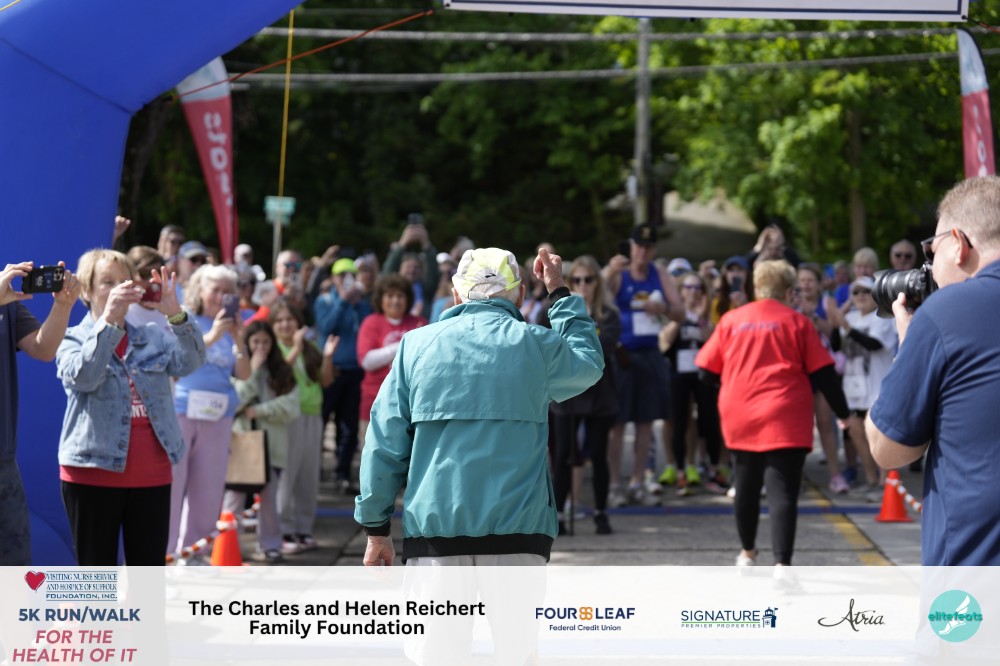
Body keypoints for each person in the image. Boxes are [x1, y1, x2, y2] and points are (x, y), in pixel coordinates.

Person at [355, 246, 603, 565]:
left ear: (457, 295)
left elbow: (384, 442)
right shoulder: (537, 344)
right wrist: (558, 292)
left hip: (435, 532)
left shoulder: (415, 347)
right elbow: (588, 363)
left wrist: (376, 528)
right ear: (520, 295)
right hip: (519, 532)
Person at [867, 175, 1000, 566]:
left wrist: (908, 351)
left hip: (975, 572)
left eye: (932, 249)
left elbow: (888, 448)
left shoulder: (947, 312)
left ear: (958, 243)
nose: (929, 267)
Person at [696, 260, 863, 567]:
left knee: (745, 486)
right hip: (785, 415)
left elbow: (705, 371)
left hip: (740, 412)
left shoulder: (732, 320)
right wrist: (845, 415)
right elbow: (824, 375)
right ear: (788, 291)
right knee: (782, 492)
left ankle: (747, 553)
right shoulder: (798, 323)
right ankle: (782, 566)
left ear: (757, 288)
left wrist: (731, 384)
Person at [55, 250, 204, 565]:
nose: (119, 288)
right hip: (91, 474)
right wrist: (108, 321)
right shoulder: (72, 339)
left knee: (147, 581)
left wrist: (176, 314)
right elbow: (85, 377)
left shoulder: (153, 336)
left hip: (152, 475)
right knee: (97, 582)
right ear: (86, 291)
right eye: (108, 282)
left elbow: (191, 361)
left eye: (124, 281)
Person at [169, 264, 251, 560]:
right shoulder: (185, 318)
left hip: (218, 416)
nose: (220, 296)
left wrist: (238, 339)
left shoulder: (232, 327)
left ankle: (195, 553)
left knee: (208, 489)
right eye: (215, 289)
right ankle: (165, 553)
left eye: (227, 291)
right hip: (182, 411)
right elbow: (180, 356)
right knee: (172, 486)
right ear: (200, 290)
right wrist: (215, 334)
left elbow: (244, 374)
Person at [0, 261, 80, 565]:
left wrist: (63, 305)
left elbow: (44, 349)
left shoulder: (6, 297)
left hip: (4, 463)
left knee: (14, 568)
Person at [602, 223, 683, 507]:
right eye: (639, 245)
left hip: (650, 354)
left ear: (654, 250)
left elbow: (680, 312)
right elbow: (595, 301)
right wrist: (607, 274)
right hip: (622, 355)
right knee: (617, 425)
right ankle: (614, 484)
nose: (642, 252)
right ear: (631, 245)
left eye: (648, 247)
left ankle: (637, 481)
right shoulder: (618, 273)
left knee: (646, 423)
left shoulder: (659, 274)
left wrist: (665, 309)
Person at [551, 256, 620, 535]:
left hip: (600, 394)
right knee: (563, 456)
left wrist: (581, 330)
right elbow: (551, 343)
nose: (582, 285)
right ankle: (558, 514)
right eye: (576, 280)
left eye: (588, 280)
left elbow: (605, 347)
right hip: (568, 395)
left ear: (597, 283)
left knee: (598, 455)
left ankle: (601, 512)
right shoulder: (558, 312)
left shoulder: (608, 314)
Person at [223, 320, 300, 563]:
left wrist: (261, 411)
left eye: (266, 342)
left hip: (272, 445)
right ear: (247, 344)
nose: (261, 347)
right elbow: (235, 400)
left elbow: (291, 407)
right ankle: (226, 545)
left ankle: (270, 544)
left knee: (269, 498)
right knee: (234, 496)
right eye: (255, 342)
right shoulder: (235, 369)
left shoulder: (282, 371)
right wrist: (252, 371)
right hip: (242, 444)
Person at [270, 299, 338, 554]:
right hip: (287, 417)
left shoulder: (310, 348)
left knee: (308, 475)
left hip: (312, 413)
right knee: (287, 475)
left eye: (290, 319)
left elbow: (326, 380)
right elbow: (278, 378)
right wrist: (296, 348)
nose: (286, 325)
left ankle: (303, 529)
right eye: (280, 320)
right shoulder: (273, 348)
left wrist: (327, 357)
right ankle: (283, 530)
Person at [828, 275, 896, 501]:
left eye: (865, 292)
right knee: (856, 433)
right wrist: (836, 324)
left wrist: (846, 326)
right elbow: (836, 346)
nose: (860, 296)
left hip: (877, 386)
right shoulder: (850, 317)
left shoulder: (883, 317)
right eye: (856, 293)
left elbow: (873, 344)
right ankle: (871, 479)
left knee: (879, 436)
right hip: (854, 388)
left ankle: (885, 482)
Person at [314, 257, 372, 494]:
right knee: (321, 420)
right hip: (332, 369)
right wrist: (343, 301)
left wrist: (356, 302)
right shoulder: (325, 300)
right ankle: (314, 468)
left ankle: (342, 473)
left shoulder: (363, 304)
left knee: (348, 426)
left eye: (351, 275)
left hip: (355, 372)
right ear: (333, 278)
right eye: (342, 275)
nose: (346, 280)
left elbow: (367, 328)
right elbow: (326, 327)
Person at [356, 274, 427, 441]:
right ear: (381, 299)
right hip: (375, 402)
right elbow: (367, 361)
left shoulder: (420, 323)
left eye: (400, 296)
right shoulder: (371, 322)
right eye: (390, 295)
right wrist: (404, 344)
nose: (395, 300)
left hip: (411, 406)